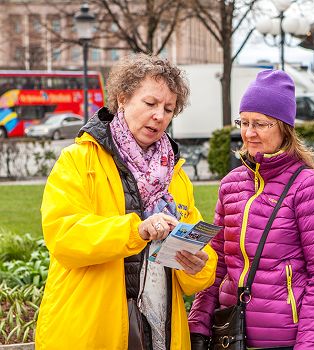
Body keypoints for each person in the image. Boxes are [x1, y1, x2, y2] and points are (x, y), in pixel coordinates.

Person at [35, 53, 218, 350]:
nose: (159, 115)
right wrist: (136, 231)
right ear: (122, 98)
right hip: (91, 332)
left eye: (168, 108)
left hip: (162, 332)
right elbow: (64, 236)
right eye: (150, 103)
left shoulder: (175, 174)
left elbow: (193, 274)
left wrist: (199, 265)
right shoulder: (79, 159)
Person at [188, 70, 314, 349]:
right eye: (244, 122)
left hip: (285, 340)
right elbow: (218, 264)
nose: (249, 132)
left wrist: (310, 346)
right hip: (231, 336)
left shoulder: (310, 187)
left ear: (284, 127)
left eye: (260, 123)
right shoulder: (230, 185)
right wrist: (197, 325)